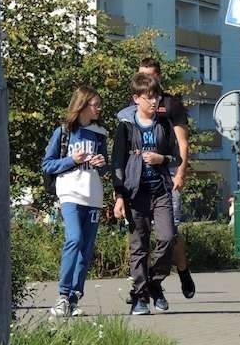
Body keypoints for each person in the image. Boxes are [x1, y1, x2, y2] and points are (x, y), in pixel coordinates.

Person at [117, 58, 195, 300]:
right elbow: (121, 152)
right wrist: (119, 190)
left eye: (149, 75)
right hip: (138, 180)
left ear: (159, 76)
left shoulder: (170, 105)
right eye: (140, 75)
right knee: (140, 238)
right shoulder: (131, 108)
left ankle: (180, 272)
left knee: (170, 232)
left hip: (167, 173)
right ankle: (145, 285)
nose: (145, 80)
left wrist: (179, 173)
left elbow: (181, 143)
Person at [112, 73, 182, 315]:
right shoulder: (126, 127)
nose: (154, 102)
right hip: (135, 193)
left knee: (167, 237)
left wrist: (161, 158)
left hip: (161, 190)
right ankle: (140, 296)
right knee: (139, 246)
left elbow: (177, 157)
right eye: (149, 98)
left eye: (157, 97)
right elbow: (117, 163)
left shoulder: (164, 124)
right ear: (136, 99)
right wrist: (119, 195)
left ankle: (154, 281)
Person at [42, 86, 108, 317]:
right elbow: (47, 164)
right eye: (95, 104)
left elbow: (105, 166)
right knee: (74, 239)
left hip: (93, 196)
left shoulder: (100, 133)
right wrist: (72, 160)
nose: (99, 108)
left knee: (86, 249)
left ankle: (74, 298)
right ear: (82, 105)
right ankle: (62, 294)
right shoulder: (63, 132)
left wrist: (101, 163)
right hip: (69, 193)